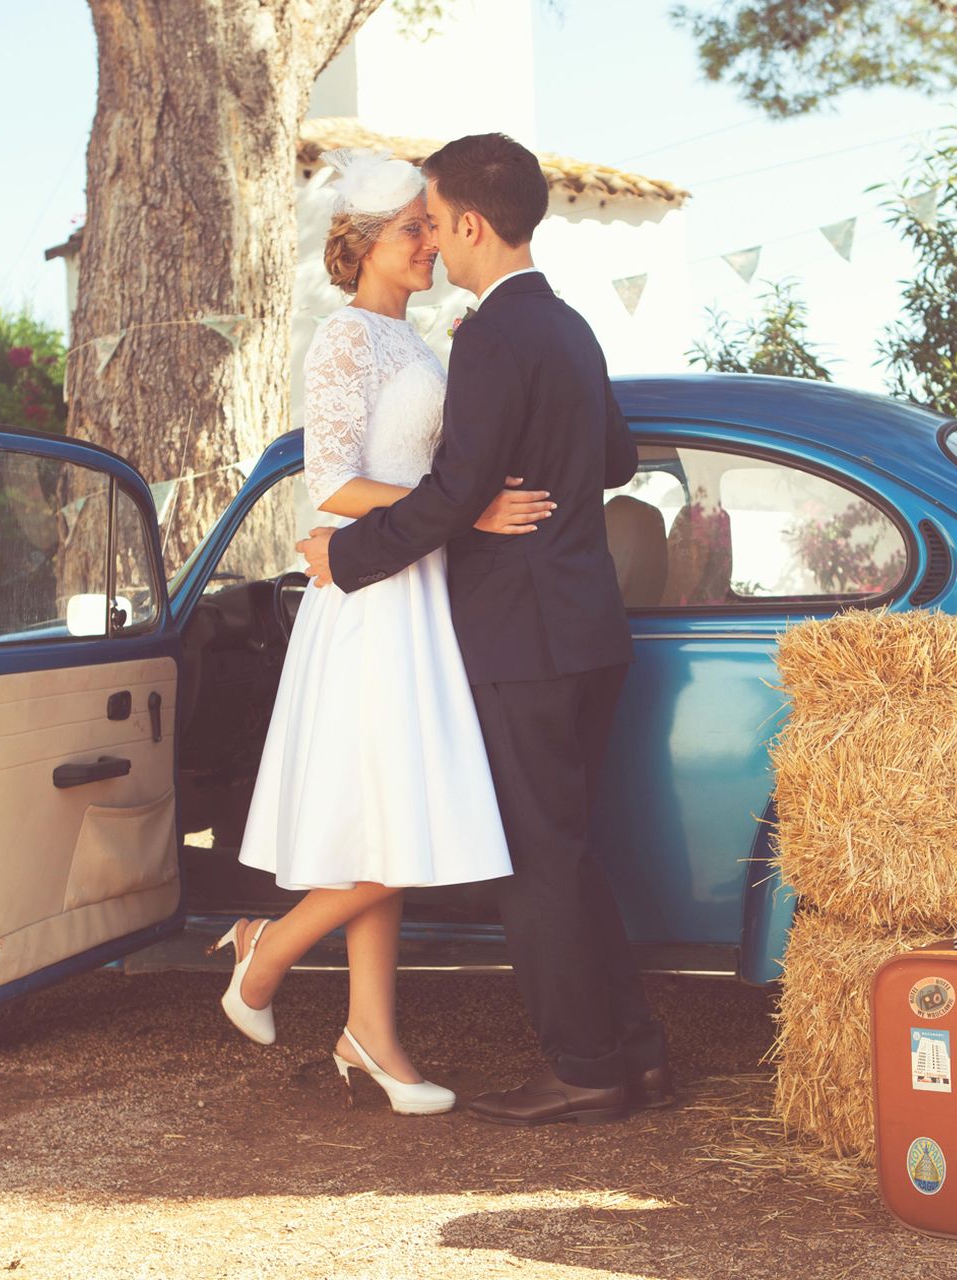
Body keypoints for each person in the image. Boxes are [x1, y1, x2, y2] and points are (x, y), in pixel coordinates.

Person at [298, 132, 672, 1127]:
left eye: (435, 219)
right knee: (576, 852)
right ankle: (636, 1052)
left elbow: (460, 490)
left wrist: (350, 555)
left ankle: (586, 1067)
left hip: (524, 640)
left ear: (471, 223)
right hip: (589, 629)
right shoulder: (571, 327)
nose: (433, 241)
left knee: (536, 863)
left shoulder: (494, 337)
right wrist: (532, 478)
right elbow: (617, 454)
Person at [218, 148, 552, 1117]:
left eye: (431, 223)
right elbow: (329, 485)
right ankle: (265, 949)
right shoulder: (345, 341)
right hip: (370, 603)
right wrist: (467, 510)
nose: (430, 239)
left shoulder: (423, 344)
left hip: (423, 594)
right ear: (363, 243)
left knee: (390, 814)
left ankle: (370, 1030)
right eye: (412, 226)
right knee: (391, 817)